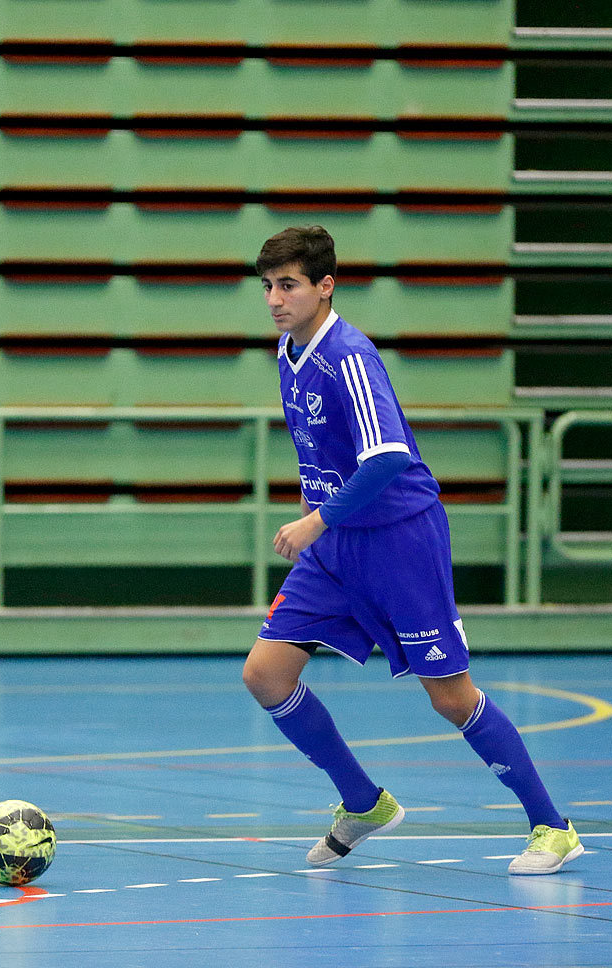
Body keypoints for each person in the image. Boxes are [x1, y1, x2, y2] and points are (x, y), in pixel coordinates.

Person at [240, 225, 583, 875]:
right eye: (268, 286)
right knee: (266, 674)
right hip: (337, 546)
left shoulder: (350, 355)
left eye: (288, 285)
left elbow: (387, 457)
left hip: (400, 543)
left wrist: (314, 521)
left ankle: (552, 825)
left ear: (324, 286)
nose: (275, 299)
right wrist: (323, 524)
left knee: (451, 698)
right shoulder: (288, 351)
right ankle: (363, 802)